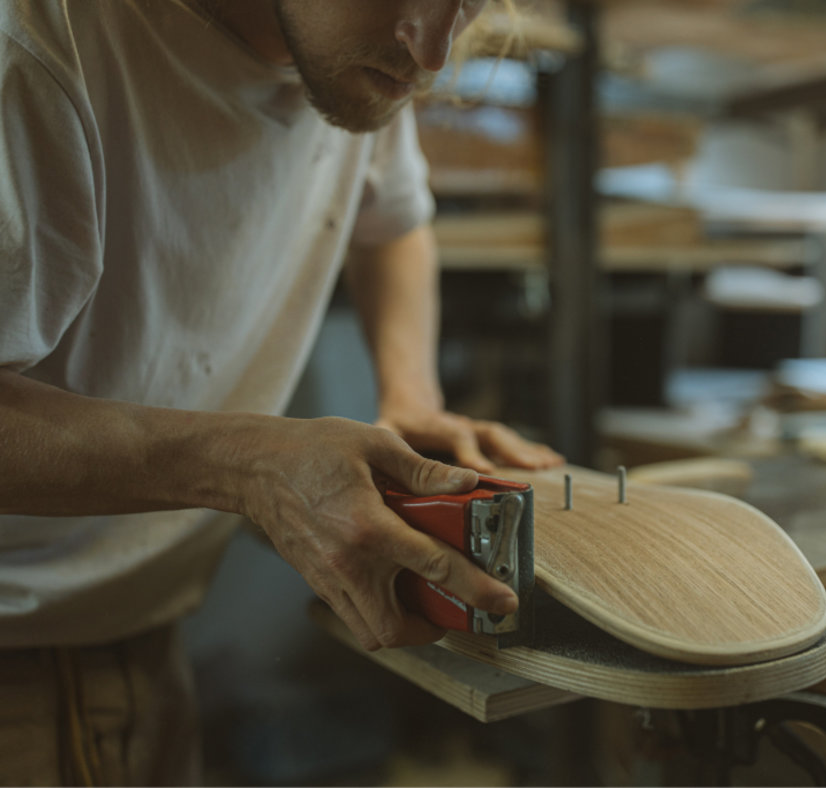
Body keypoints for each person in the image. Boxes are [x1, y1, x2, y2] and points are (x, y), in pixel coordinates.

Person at [0, 0, 563, 783]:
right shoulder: (36, 54)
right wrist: (248, 468)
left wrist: (411, 396)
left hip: (136, 628)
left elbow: (394, 217)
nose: (433, 53)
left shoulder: (367, 51)